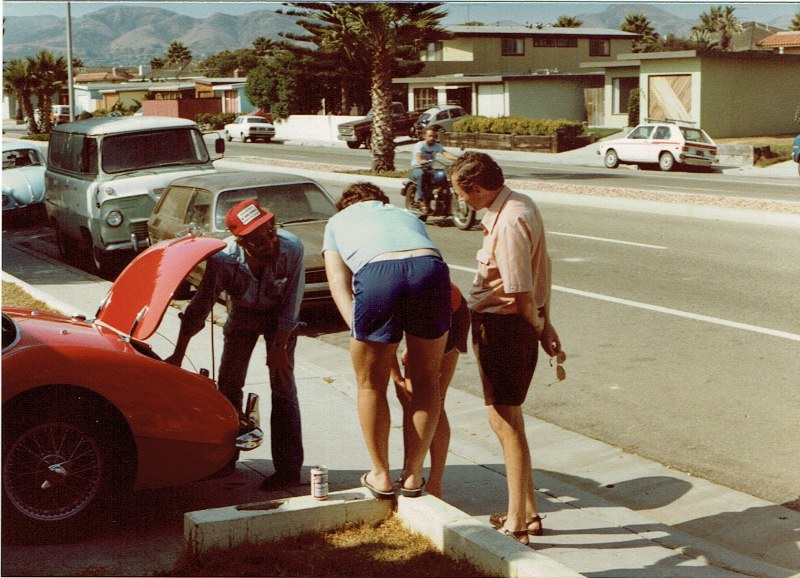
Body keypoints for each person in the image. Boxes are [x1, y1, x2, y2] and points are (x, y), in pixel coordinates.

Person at [448, 152, 562, 546]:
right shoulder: (519, 204)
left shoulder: (510, 220)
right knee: (511, 419)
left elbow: (518, 292)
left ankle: (515, 522)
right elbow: (539, 273)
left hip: (504, 327)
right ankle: (527, 511)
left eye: (461, 194)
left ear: (477, 188)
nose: (461, 201)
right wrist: (544, 323)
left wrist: (538, 326)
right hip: (515, 324)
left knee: (502, 421)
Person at [165, 199, 306, 491]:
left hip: (280, 320)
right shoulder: (222, 260)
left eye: (271, 232)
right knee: (229, 385)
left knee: (283, 387)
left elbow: (292, 303)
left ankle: (289, 470)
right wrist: (177, 355)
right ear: (241, 242)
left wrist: (279, 349)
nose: (269, 242)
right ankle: (223, 461)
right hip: (242, 315)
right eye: (257, 241)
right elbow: (198, 309)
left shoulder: (292, 248)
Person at [322, 181, 451, 499]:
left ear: (345, 205)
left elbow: (339, 284)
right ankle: (412, 475)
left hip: (378, 273)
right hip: (430, 270)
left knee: (370, 384)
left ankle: (380, 475)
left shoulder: (337, 222)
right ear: (380, 200)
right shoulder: (404, 213)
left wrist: (361, 330)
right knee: (426, 382)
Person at [390, 282, 469, 500]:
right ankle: (409, 471)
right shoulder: (375, 291)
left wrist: (402, 374)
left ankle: (434, 483)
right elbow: (382, 344)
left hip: (450, 309)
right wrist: (397, 381)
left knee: (433, 399)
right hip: (420, 309)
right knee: (410, 399)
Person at [410, 127, 459, 212]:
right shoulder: (420, 145)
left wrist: (457, 159)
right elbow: (419, 157)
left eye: (434, 136)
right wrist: (422, 161)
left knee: (443, 175)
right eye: (429, 136)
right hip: (418, 168)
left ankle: (443, 198)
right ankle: (422, 200)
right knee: (421, 174)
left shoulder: (437, 146)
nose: (432, 138)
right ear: (424, 136)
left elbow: (446, 153)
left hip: (429, 168)